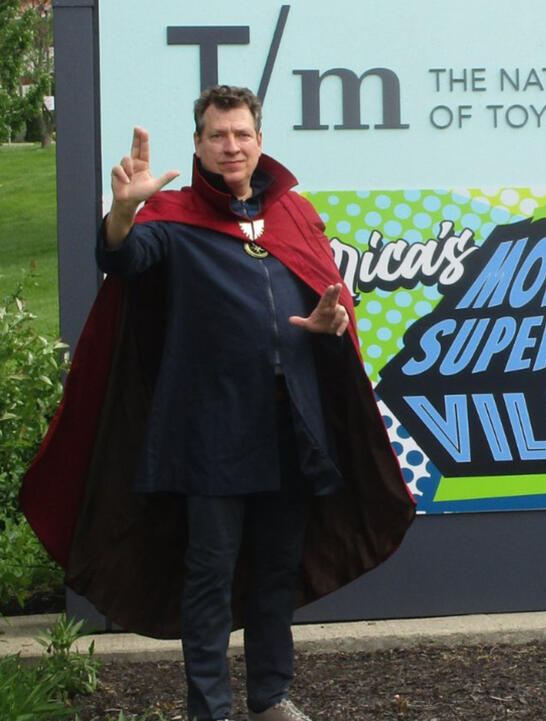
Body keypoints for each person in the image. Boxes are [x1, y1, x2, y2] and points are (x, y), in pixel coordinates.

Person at [20, 86, 416, 721]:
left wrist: (331, 323)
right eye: (217, 136)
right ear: (198, 145)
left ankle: (270, 698)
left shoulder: (293, 212)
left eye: (241, 134)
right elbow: (123, 259)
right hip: (210, 436)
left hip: (291, 427)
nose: (231, 146)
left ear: (259, 140)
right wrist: (122, 213)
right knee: (208, 579)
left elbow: (327, 294)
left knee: (275, 574)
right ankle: (209, 708)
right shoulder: (171, 217)